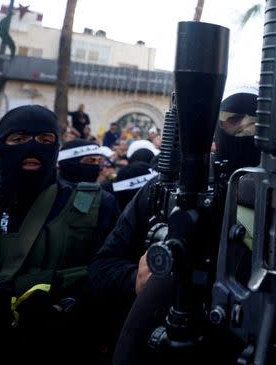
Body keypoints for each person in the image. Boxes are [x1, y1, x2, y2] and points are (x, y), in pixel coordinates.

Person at [89, 86, 262, 356]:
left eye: (257, 121)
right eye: (234, 120)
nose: (246, 129)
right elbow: (101, 269)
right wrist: (135, 279)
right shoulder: (168, 191)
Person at [0, 105, 119, 361]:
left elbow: (111, 279)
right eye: (20, 139)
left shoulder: (95, 207)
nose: (33, 147)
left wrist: (70, 308)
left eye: (45, 140)